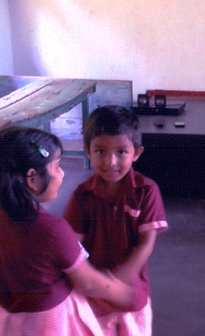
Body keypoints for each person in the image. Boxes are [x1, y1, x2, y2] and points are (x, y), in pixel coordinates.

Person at [0, 126, 135, 335]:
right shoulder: (52, 230)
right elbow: (88, 282)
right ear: (32, 179)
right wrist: (120, 292)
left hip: (4, 323)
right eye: (57, 166)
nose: (62, 173)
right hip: (48, 324)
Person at [64, 105, 168, 336]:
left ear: (136, 153)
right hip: (91, 299)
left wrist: (114, 283)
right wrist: (97, 285)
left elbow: (146, 244)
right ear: (87, 151)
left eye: (121, 152)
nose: (111, 162)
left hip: (130, 294)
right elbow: (71, 248)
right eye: (100, 152)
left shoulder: (146, 191)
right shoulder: (82, 195)